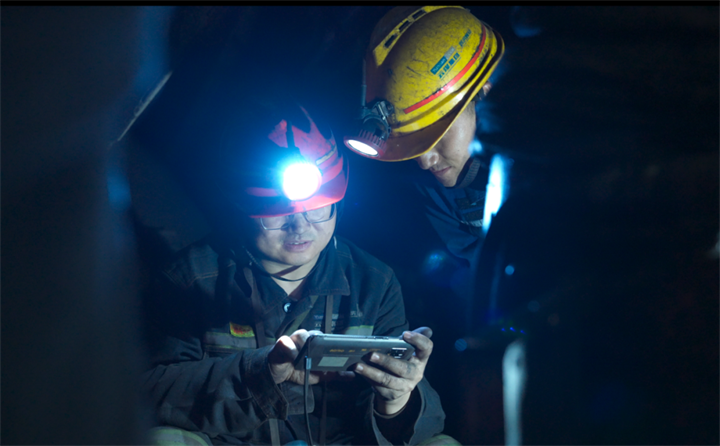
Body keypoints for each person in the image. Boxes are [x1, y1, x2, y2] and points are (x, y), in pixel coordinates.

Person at [139, 94, 456, 445]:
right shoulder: (190, 280)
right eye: (278, 213)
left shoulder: (372, 282)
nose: (300, 226)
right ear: (242, 207)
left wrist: (396, 400)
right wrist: (260, 372)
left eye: (318, 208)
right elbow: (149, 394)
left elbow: (418, 425)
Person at [343, 5, 510, 321]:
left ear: (484, 98)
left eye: (436, 136)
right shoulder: (435, 183)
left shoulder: (548, 155)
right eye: (413, 142)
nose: (425, 161)